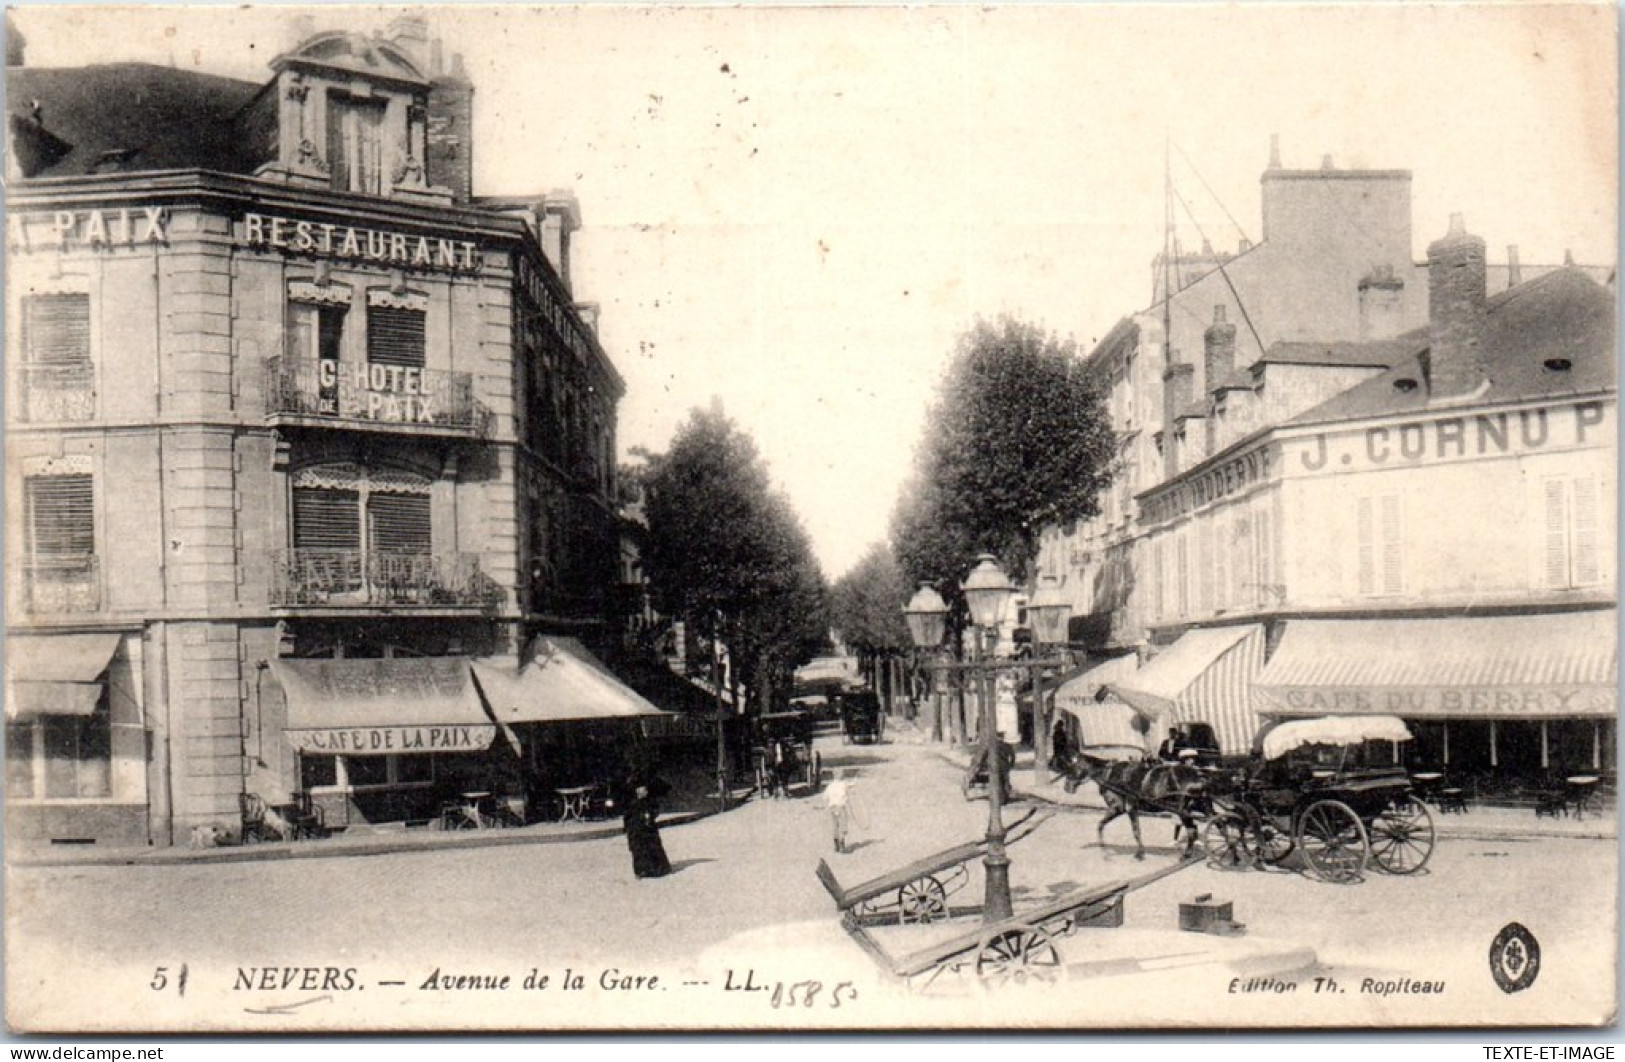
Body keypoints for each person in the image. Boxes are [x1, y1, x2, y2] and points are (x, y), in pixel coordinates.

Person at [616, 767, 672, 879]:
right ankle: (642, 869)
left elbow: (664, 787)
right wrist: (633, 791)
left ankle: (657, 867)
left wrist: (648, 789)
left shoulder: (647, 772)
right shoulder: (622, 774)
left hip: (645, 811)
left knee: (650, 839)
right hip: (632, 813)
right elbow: (618, 792)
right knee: (636, 842)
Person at [823, 769, 861, 853]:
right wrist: (856, 778)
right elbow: (852, 784)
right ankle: (842, 845)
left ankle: (836, 845)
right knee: (843, 826)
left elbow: (825, 797)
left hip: (832, 808)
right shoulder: (844, 784)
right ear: (842, 776)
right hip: (841, 807)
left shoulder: (830, 786)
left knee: (835, 826)